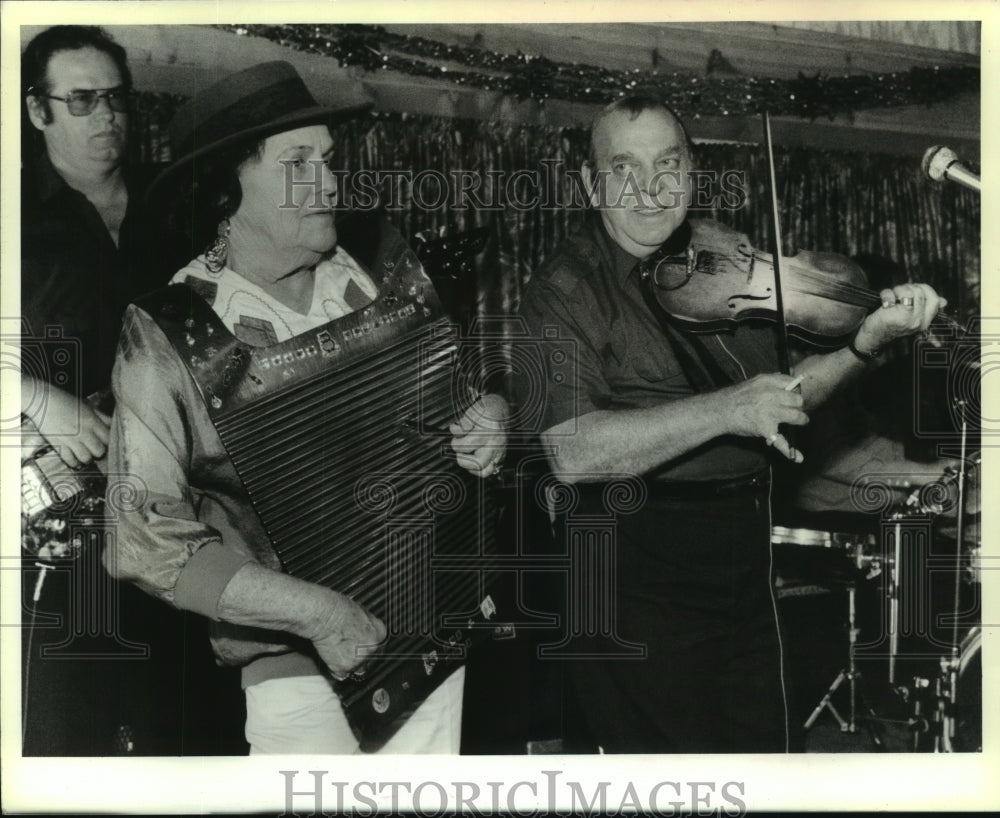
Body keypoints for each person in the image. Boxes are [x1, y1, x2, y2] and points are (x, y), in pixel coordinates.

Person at [516, 95, 946, 753]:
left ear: (691, 171)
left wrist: (865, 342)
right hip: (633, 562)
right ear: (589, 183)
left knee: (765, 763)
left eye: (668, 164)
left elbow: (782, 398)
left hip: (741, 554)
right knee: (673, 779)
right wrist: (726, 409)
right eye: (624, 169)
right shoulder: (564, 290)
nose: (652, 189)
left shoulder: (723, 257)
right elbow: (573, 452)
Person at [104, 61, 508, 755]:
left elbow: (457, 397)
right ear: (226, 190)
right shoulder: (172, 333)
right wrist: (317, 612)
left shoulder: (381, 264)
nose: (328, 181)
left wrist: (488, 416)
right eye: (297, 163)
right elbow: (139, 537)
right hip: (299, 679)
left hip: (438, 635)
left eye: (327, 159)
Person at [19, 25, 235, 756]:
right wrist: (39, 397)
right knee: (70, 722)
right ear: (36, 110)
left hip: (178, 498)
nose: (107, 116)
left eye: (115, 98)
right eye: (82, 101)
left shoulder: (175, 207)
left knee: (190, 714)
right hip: (62, 509)